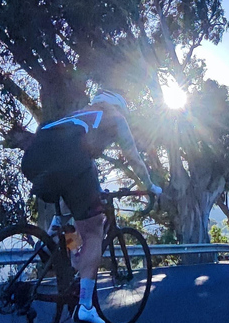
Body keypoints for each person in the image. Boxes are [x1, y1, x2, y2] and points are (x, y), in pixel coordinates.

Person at [21, 90, 162, 323]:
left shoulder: (81, 114)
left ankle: (54, 239)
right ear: (118, 106)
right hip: (69, 161)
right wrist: (149, 185)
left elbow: (80, 161)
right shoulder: (115, 117)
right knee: (94, 228)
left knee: (71, 215)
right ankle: (85, 306)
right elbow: (132, 155)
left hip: (34, 157)